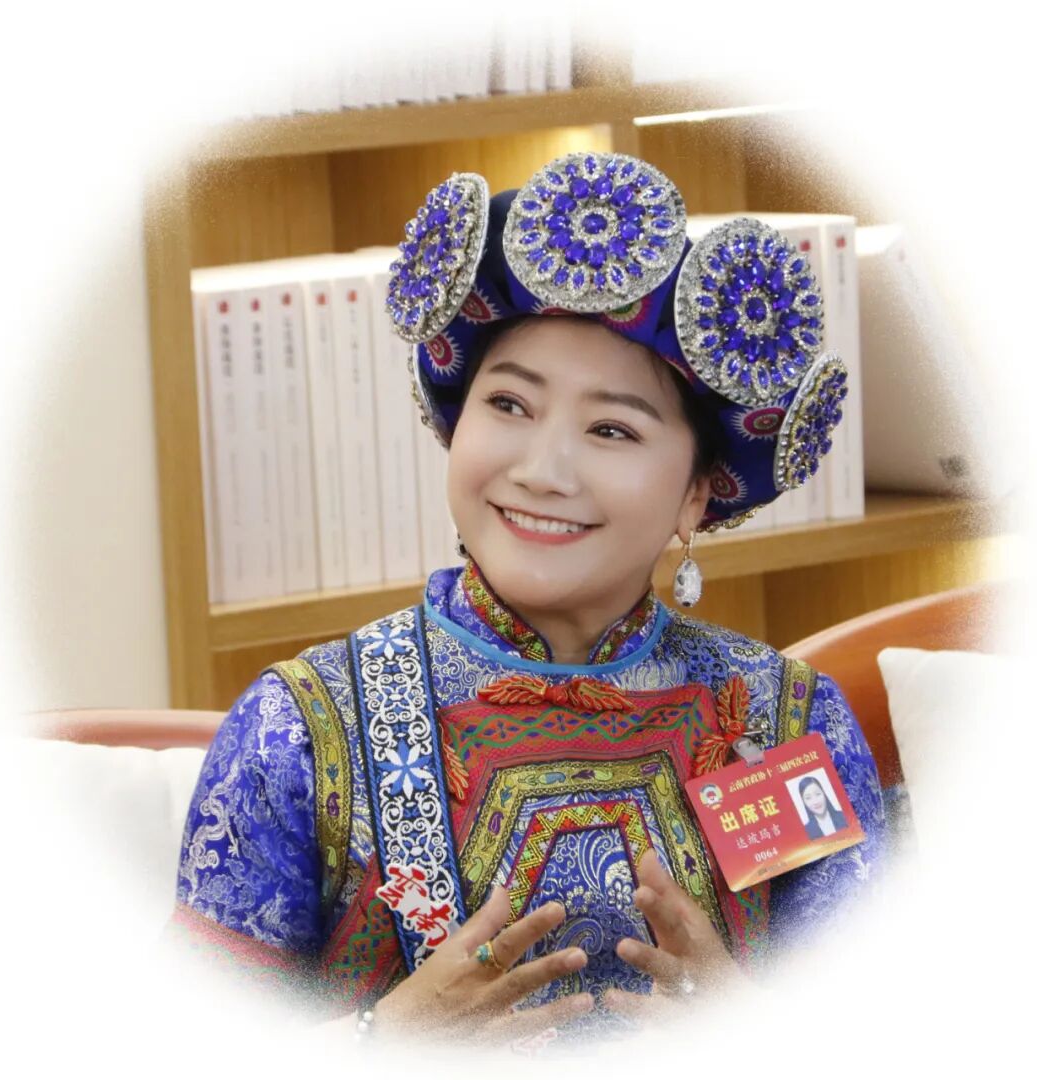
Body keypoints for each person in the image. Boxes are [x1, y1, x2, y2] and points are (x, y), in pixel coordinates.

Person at [173, 152, 885, 1045]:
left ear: (697, 495)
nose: (543, 471)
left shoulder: (782, 725)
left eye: (611, 428)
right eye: (510, 405)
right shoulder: (299, 731)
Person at [798, 776, 849, 840]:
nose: (815, 802)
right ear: (804, 802)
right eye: (808, 798)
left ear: (824, 793)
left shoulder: (844, 816)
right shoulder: (806, 832)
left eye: (818, 794)